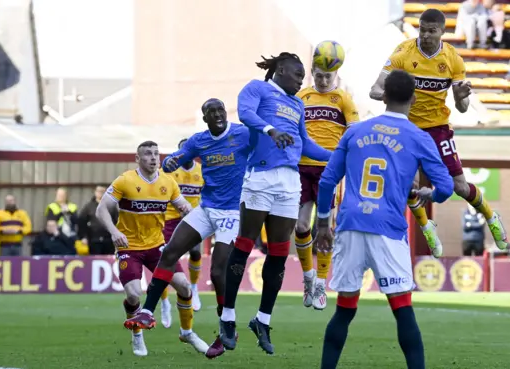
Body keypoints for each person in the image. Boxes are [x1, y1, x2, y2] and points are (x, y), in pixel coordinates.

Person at [316, 70, 454, 369]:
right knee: (402, 310)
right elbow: (446, 188)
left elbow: (327, 182)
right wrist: (428, 194)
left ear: (384, 96)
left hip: (350, 225)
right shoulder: (419, 137)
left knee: (344, 309)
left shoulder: (354, 131)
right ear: (414, 99)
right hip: (388, 229)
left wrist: (323, 223)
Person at [218, 53, 332, 355]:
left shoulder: (297, 105)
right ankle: (227, 316)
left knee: (280, 254)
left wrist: (336, 156)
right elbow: (245, 114)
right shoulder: (258, 88)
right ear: (280, 69)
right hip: (261, 176)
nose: (301, 80)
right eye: (297, 74)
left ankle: (263, 320)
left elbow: (305, 143)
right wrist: (271, 130)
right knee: (244, 244)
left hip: (289, 182)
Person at [369, 8, 508, 258]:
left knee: (460, 186)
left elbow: (463, 109)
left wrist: (461, 97)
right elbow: (375, 90)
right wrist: (394, 95)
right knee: (407, 186)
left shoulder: (453, 59)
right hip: (407, 129)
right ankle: (426, 226)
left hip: (438, 129)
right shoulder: (403, 52)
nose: (425, 35)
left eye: (431, 31)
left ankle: (490, 216)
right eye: (422, 29)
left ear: (442, 32)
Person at [123, 100, 249, 359]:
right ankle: (147, 311)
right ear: (204, 118)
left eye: (220, 111)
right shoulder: (198, 140)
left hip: (231, 213)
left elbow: (265, 144)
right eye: (211, 112)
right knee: (169, 252)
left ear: (226, 114)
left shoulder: (243, 133)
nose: (217, 115)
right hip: (206, 208)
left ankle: (227, 327)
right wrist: (170, 163)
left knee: (217, 272)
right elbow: (174, 160)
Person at [96, 140, 210, 357]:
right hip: (129, 246)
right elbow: (102, 209)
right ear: (138, 159)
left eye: (156, 154)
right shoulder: (125, 180)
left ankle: (187, 332)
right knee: (133, 294)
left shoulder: (168, 182)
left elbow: (182, 205)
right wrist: (114, 231)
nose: (153, 157)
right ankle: (137, 334)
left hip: (157, 246)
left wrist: (188, 209)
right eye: (147, 154)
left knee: (184, 286)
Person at [295, 63, 360, 310]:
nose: (323, 81)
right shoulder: (302, 97)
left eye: (328, 76)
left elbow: (354, 127)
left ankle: (322, 281)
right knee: (301, 226)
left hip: (330, 169)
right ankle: (308, 277)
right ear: (313, 73)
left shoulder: (342, 98)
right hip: (302, 166)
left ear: (336, 76)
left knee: (326, 228)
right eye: (319, 76)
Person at [158, 138, 205, 329]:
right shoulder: (168, 172)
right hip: (169, 219)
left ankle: (194, 287)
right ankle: (164, 301)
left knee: (195, 252)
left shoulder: (202, 170)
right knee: (164, 259)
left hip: (192, 217)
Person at [78, 185, 115, 255]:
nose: (100, 193)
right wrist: (83, 237)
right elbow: (81, 222)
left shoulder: (111, 206)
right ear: (95, 192)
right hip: (94, 240)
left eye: (103, 191)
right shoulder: (88, 207)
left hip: (109, 241)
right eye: (99, 191)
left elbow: (117, 221)